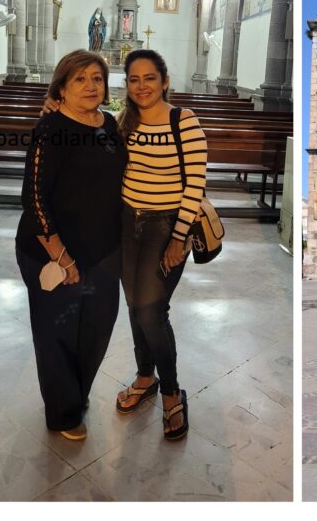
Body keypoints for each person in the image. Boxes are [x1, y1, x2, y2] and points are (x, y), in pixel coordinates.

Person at [16, 50, 127, 441]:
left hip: (103, 251)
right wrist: (63, 257)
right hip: (50, 251)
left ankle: (76, 394)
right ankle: (63, 413)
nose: (91, 86)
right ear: (61, 87)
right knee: (57, 333)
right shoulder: (50, 129)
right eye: (80, 79)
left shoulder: (109, 124)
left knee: (97, 329)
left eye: (97, 78)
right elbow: (34, 199)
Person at [115, 49, 206, 441]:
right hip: (125, 223)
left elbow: (195, 185)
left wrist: (180, 236)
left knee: (151, 311)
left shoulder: (182, 121)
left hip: (165, 226)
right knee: (135, 306)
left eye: (149, 78)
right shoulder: (123, 121)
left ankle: (171, 393)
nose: (141, 86)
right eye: (133, 80)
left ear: (165, 81)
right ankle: (143, 376)